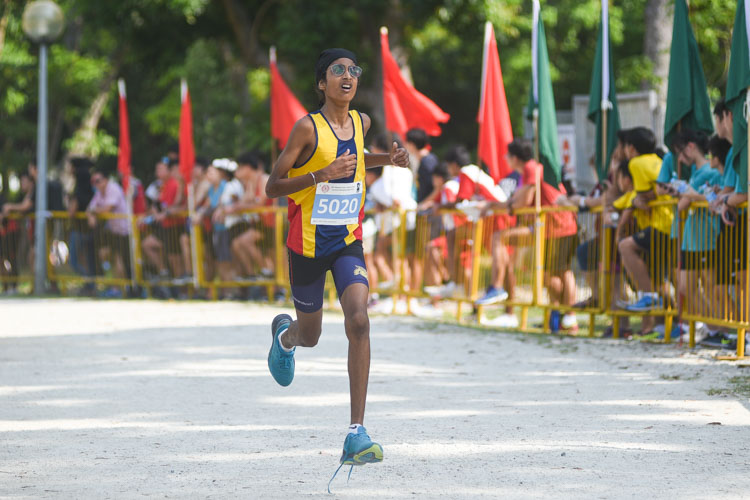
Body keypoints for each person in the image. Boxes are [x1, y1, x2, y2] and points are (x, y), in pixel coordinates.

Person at [264, 48, 409, 485]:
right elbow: (273, 186)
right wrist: (319, 175)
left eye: (354, 70)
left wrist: (390, 160)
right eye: (338, 71)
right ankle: (285, 337)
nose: (348, 76)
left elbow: (359, 162)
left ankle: (356, 432)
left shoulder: (362, 123)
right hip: (306, 247)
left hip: (348, 241)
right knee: (312, 335)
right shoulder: (307, 128)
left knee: (360, 320)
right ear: (321, 83)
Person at [506, 138, 578, 331]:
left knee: (556, 272)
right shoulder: (534, 168)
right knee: (556, 273)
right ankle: (562, 315)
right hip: (558, 225)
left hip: (558, 225)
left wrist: (510, 206)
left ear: (515, 157)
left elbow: (524, 199)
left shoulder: (531, 167)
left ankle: (563, 315)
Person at [616, 127, 674, 312]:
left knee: (625, 246)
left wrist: (637, 201)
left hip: (661, 222)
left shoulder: (636, 163)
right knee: (673, 276)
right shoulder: (657, 160)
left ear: (631, 148)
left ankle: (647, 295)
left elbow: (643, 197)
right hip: (672, 221)